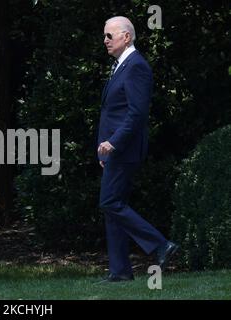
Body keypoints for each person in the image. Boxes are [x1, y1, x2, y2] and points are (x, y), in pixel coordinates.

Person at [97, 16, 178, 282]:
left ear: (126, 37)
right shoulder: (122, 66)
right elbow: (114, 111)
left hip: (125, 149)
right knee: (113, 205)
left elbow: (137, 114)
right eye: (105, 36)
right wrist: (104, 150)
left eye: (110, 35)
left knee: (110, 202)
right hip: (115, 151)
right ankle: (120, 271)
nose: (105, 40)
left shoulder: (136, 66)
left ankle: (160, 245)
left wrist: (114, 142)